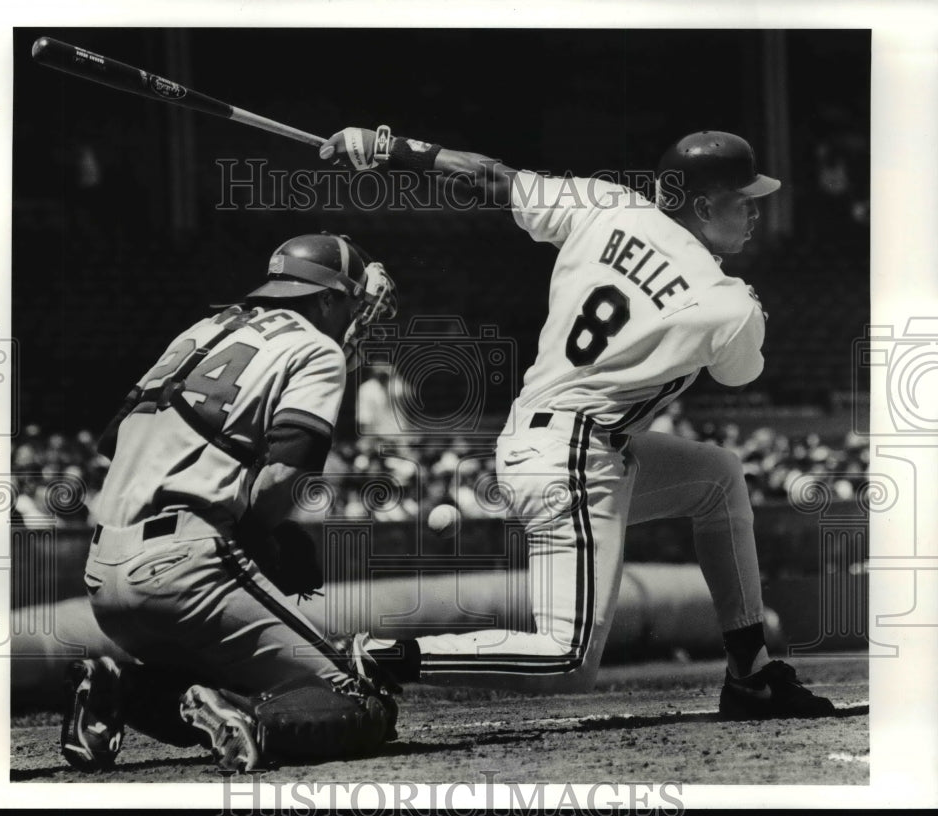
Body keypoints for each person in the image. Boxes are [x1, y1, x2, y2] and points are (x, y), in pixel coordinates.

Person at [319, 127, 835, 719]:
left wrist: (390, 149)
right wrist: (748, 309)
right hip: (574, 458)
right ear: (702, 204)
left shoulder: (608, 204)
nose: (754, 214)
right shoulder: (728, 301)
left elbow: (489, 174)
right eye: (744, 200)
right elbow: (741, 374)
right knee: (565, 661)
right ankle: (377, 656)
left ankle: (752, 673)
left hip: (541, 443)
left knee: (718, 474)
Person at [60, 233, 401, 773]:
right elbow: (281, 479)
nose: (358, 320)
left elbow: (113, 445)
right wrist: (262, 537)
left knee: (242, 680)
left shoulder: (200, 330)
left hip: (103, 576)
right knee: (359, 701)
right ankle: (248, 718)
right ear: (327, 298)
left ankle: (121, 688)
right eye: (354, 304)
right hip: (188, 568)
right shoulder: (316, 347)